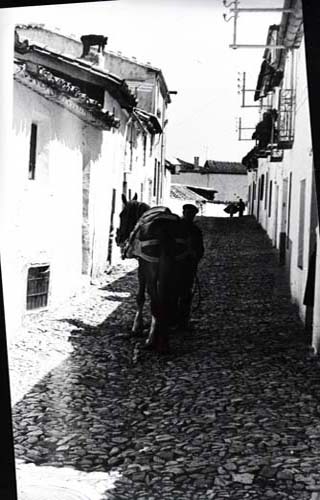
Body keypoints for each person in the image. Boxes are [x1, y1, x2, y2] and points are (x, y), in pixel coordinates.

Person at [179, 204, 204, 329]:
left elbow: (200, 250)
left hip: (188, 267)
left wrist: (195, 258)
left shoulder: (196, 231)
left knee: (186, 294)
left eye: (191, 214)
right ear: (183, 213)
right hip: (174, 266)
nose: (189, 216)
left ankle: (183, 321)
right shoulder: (174, 228)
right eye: (187, 213)